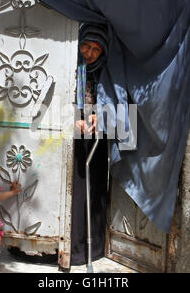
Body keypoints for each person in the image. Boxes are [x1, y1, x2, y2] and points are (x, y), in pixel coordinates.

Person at [71, 23, 109, 266]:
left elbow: (116, 98)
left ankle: (93, 249)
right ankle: (72, 248)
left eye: (96, 49)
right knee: (75, 189)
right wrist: (75, 119)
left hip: (97, 134)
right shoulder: (70, 66)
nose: (90, 53)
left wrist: (102, 114)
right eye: (86, 45)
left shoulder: (108, 71)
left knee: (95, 187)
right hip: (72, 133)